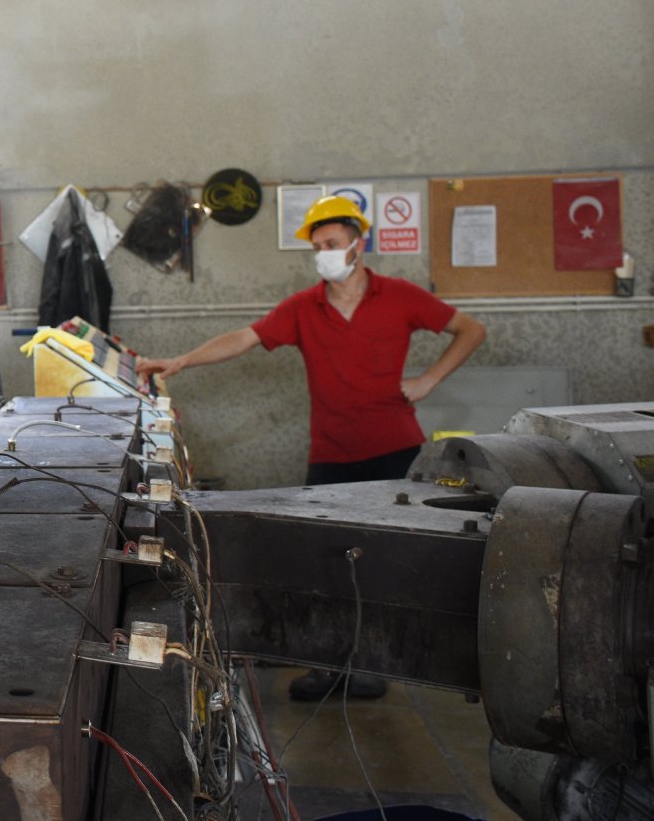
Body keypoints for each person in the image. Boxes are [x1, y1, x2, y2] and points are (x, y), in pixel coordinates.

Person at [136, 195, 486, 700]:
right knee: (323, 562)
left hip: (394, 450)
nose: (324, 253)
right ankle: (330, 666)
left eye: (332, 243)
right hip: (332, 452)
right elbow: (244, 338)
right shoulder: (305, 308)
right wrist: (181, 361)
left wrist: (430, 379)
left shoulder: (400, 296)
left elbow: (471, 329)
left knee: (388, 561)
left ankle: (377, 665)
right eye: (317, 246)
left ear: (357, 245)